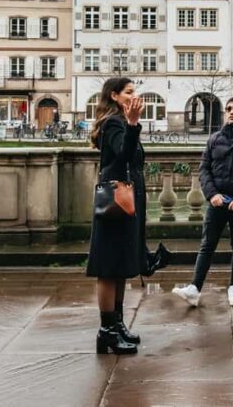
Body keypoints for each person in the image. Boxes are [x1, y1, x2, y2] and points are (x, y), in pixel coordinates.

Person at [172, 96, 233, 307]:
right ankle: (194, 288)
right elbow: (204, 169)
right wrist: (212, 194)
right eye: (228, 109)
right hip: (217, 202)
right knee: (207, 245)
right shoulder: (215, 139)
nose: (231, 112)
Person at [87, 77, 146, 355]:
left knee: (120, 265)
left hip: (125, 201)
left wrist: (132, 124)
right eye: (129, 92)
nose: (134, 96)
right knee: (109, 268)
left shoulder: (120, 122)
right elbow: (123, 157)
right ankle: (106, 330)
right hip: (114, 203)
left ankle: (117, 324)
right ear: (114, 96)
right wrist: (133, 123)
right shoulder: (114, 122)